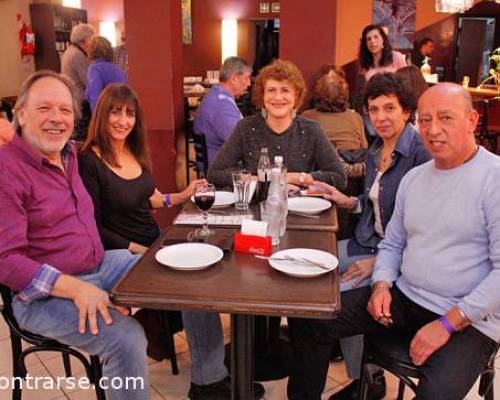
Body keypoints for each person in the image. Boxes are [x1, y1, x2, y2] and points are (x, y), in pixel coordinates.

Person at [287, 82, 500, 400]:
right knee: (310, 321)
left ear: (472, 120)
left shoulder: (493, 178)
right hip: (405, 297)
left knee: (436, 393)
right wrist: (382, 284)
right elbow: (393, 243)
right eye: (425, 120)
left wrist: (446, 324)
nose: (433, 129)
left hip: (468, 319)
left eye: (446, 118)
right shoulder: (415, 178)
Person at [78, 83, 264, 400]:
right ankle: (208, 383)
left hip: (152, 244)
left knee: (218, 254)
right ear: (101, 115)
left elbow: (147, 197)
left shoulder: (130, 151)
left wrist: (182, 195)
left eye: (129, 114)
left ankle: (214, 364)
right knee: (195, 286)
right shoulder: (89, 161)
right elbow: (93, 227)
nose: (122, 121)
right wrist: (142, 249)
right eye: (115, 112)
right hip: (121, 254)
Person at [0, 70, 149, 400]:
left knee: (167, 272)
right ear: (20, 114)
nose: (56, 118)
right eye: (44, 109)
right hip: (40, 295)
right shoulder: (6, 170)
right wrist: (76, 288)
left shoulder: (71, 153)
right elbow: (5, 262)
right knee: (126, 339)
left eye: (65, 110)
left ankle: (209, 380)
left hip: (100, 266)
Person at [307, 72, 430, 400]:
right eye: (374, 110)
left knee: (336, 294)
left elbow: (424, 233)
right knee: (310, 268)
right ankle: (319, 368)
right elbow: (371, 202)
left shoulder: (421, 155)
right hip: (365, 240)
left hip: (392, 255)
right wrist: (343, 198)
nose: (381, 117)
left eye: (389, 108)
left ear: (406, 111)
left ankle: (366, 379)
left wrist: (375, 263)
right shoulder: (376, 150)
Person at [207, 59, 347, 190]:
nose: (278, 97)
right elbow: (215, 173)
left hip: (300, 210)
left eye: (285, 90)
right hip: (256, 210)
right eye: (271, 90)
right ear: (262, 95)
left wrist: (295, 178)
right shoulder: (245, 128)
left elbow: (340, 177)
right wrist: (262, 182)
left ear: (296, 95)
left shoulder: (311, 130)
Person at [302, 66, 367, 178]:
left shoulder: (306, 117)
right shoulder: (356, 117)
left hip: (320, 178)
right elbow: (364, 148)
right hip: (352, 182)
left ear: (318, 91)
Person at [353, 24, 407, 141]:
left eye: (376, 37)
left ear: (383, 39)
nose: (372, 42)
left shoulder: (396, 57)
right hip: (373, 110)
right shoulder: (364, 64)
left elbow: (406, 85)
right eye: (369, 39)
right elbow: (362, 93)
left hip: (393, 108)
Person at [194, 56, 252, 163]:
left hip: (214, 161)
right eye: (246, 78)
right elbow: (240, 142)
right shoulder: (222, 106)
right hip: (219, 169)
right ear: (234, 79)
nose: (249, 83)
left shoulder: (215, 95)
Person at [85, 36, 127, 114]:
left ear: (91, 51)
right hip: (121, 109)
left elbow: (95, 96)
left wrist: (96, 119)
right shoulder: (116, 69)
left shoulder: (94, 68)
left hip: (105, 112)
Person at [61, 23, 95, 102]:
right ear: (85, 39)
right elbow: (87, 80)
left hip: (72, 95)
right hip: (80, 99)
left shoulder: (70, 50)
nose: (93, 42)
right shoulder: (77, 54)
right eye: (92, 38)